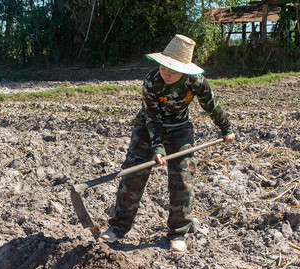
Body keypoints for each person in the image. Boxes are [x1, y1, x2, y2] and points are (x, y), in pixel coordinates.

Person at [100, 34, 235, 252]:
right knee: (133, 173)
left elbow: (211, 105)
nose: (166, 73)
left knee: (182, 178)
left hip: (180, 128)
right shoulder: (152, 81)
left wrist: (226, 128)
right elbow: (153, 117)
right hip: (148, 127)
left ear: (185, 69)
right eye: (164, 67)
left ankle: (178, 232)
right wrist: (157, 148)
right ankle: (117, 227)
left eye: (172, 70)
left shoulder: (196, 81)